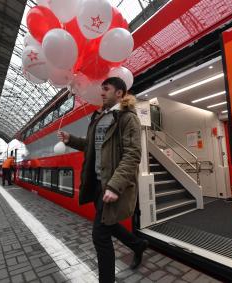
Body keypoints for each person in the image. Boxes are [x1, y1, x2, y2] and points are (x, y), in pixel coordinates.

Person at [58, 77, 148, 282]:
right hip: (98, 184)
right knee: (108, 224)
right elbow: (90, 146)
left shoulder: (127, 118)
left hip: (112, 184)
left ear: (119, 93)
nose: (101, 92)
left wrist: (115, 186)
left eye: (106, 89)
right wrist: (70, 140)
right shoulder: (99, 117)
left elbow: (133, 154)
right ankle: (137, 244)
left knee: (100, 235)